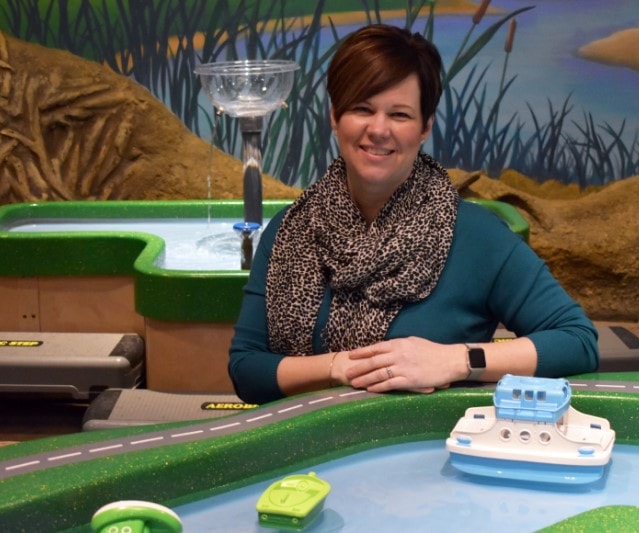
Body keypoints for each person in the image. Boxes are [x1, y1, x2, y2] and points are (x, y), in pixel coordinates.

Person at [228, 24, 598, 404]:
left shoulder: (476, 236)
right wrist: (338, 366)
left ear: (425, 126)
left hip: (427, 450)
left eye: (400, 114)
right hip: (306, 453)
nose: (379, 129)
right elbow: (247, 370)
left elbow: (577, 341)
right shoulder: (290, 230)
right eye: (362, 109)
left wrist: (456, 359)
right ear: (335, 117)